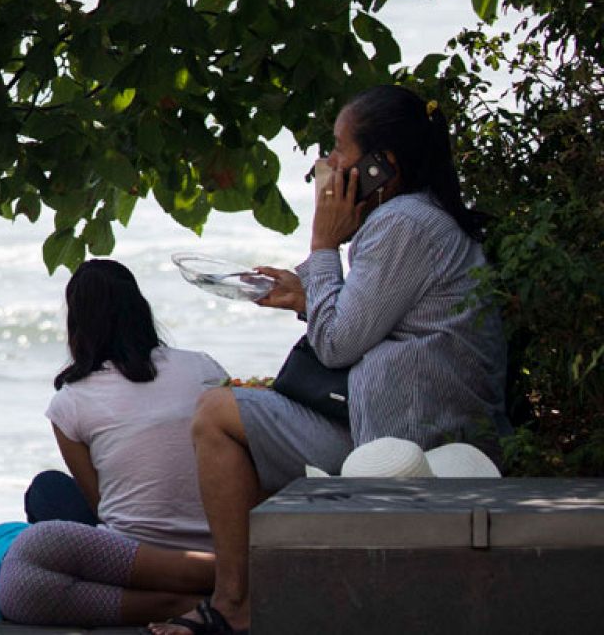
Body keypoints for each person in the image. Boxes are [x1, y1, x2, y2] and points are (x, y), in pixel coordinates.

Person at [153, 85, 507, 635]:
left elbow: (340, 342)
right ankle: (263, 599)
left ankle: (234, 604)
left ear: (379, 166)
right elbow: (371, 319)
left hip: (402, 441)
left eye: (339, 150)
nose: (328, 165)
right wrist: (303, 294)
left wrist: (322, 246)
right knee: (241, 428)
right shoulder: (422, 217)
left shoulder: (403, 223)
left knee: (214, 414)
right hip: (393, 427)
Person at [26, 259, 227, 555]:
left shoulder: (69, 403)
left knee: (46, 490)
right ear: (140, 309)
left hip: (133, 556)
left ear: (77, 323)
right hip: (219, 539)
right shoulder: (202, 368)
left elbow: (100, 504)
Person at [0, 516, 214, 627]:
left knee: (166, 607)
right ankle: (257, 585)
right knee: (185, 570)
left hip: (14, 595)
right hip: (40, 542)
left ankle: (246, 611)